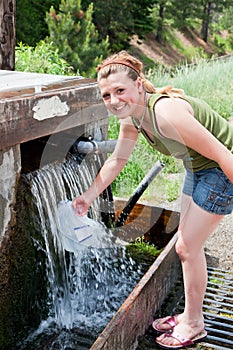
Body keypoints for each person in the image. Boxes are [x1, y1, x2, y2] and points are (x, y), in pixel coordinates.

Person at [72, 50, 233, 349]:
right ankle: (189, 314)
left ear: (139, 85)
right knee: (185, 244)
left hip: (220, 169)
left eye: (120, 90)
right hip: (196, 166)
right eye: (106, 95)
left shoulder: (165, 113)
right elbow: (117, 161)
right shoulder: (132, 119)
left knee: (187, 246)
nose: (114, 100)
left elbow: (223, 154)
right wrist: (88, 196)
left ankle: (195, 324)